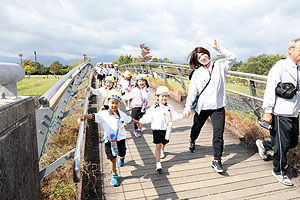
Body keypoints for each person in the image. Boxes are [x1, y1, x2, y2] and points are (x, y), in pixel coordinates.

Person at [183, 39, 236, 173]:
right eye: (199, 57)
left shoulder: (220, 65)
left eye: (204, 54)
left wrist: (218, 47)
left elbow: (233, 57)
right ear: (197, 61)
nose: (203, 58)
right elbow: (192, 92)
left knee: (218, 134)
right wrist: (188, 106)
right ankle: (192, 140)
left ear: (208, 54)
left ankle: (217, 160)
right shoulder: (197, 73)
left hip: (218, 107)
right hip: (202, 107)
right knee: (196, 127)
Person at [256, 38, 300, 186]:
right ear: (290, 49)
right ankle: (279, 171)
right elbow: (270, 90)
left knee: (292, 142)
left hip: (294, 112)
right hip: (280, 113)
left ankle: (265, 144)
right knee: (282, 146)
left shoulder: (298, 67)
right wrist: (268, 111)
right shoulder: (279, 67)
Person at [78, 91, 142, 186]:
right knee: (112, 158)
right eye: (112, 103)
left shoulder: (121, 114)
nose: (114, 105)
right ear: (108, 102)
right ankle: (114, 174)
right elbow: (93, 116)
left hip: (120, 140)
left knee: (122, 153)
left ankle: (122, 158)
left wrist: (138, 122)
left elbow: (130, 119)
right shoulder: (104, 114)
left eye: (116, 103)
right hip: (110, 140)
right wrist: (83, 116)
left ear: (120, 104)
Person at [140, 86, 184, 171]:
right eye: (162, 96)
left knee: (164, 142)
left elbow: (174, 116)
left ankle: (163, 149)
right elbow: (147, 116)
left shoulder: (169, 107)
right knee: (158, 145)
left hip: (167, 129)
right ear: (157, 96)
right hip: (156, 129)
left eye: (166, 96)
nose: (164, 98)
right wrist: (141, 122)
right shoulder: (154, 107)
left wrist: (182, 116)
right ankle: (158, 162)